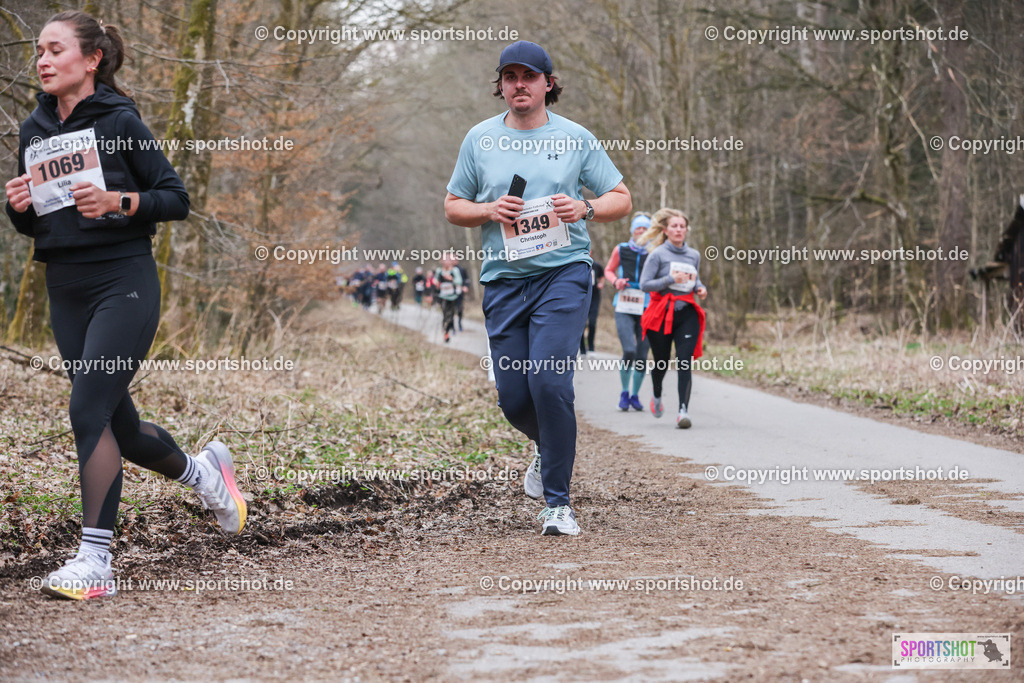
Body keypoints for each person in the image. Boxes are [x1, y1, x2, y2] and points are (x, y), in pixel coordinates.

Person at [4, 10, 245, 600]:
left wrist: (119, 200)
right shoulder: (33, 129)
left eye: (55, 49)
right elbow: (36, 225)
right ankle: (206, 475)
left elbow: (176, 199)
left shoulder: (119, 121)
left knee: (87, 410)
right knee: (122, 426)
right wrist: (17, 206)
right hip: (64, 286)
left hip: (124, 282)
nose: (42, 59)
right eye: (38, 50)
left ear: (90, 60)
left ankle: (95, 562)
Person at [444, 40, 631, 535]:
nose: (519, 85)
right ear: (500, 86)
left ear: (549, 83)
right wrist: (488, 211)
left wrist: (585, 208)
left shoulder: (575, 137)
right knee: (514, 398)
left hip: (564, 272)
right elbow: (452, 205)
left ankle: (558, 504)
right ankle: (549, 445)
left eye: (529, 76)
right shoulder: (479, 139)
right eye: (510, 77)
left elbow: (621, 196)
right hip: (504, 279)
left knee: (549, 382)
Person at [638, 208, 708, 428]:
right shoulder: (657, 255)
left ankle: (682, 412)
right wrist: (670, 279)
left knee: (684, 361)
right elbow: (645, 285)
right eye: (674, 226)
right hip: (660, 313)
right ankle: (657, 394)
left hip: (687, 312)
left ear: (687, 230)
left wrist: (701, 288)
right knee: (661, 362)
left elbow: (694, 281)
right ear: (666, 230)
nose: (679, 230)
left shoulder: (694, 255)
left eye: (682, 226)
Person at [604, 213, 652, 411]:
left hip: (647, 306)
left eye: (645, 228)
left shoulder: (655, 251)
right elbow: (608, 270)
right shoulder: (621, 249)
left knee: (642, 354)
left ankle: (635, 395)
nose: (641, 231)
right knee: (629, 350)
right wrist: (616, 281)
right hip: (624, 305)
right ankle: (624, 391)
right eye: (638, 228)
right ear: (632, 230)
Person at [579, 249, 603, 356]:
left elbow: (602, 277)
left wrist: (601, 283)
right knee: (581, 324)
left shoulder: (597, 266)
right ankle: (582, 349)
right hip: (582, 298)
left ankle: (591, 347)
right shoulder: (579, 265)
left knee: (592, 323)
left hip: (594, 298)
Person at [436, 252, 463, 342]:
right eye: (444, 259)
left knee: (450, 314)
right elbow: (435, 281)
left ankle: (450, 328)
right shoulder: (439, 271)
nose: (446, 261)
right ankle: (446, 333)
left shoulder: (455, 270)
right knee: (444, 314)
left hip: (453, 296)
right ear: (441, 261)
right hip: (443, 296)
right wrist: (437, 283)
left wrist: (451, 279)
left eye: (448, 259)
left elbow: (459, 281)